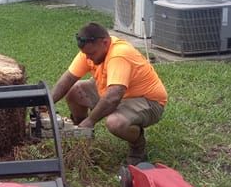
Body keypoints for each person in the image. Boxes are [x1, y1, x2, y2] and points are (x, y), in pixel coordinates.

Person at [51, 22, 167, 165]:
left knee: (115, 123)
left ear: (105, 42)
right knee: (75, 91)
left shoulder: (119, 54)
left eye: (91, 54)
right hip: (113, 91)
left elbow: (114, 96)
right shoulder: (91, 50)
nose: (88, 58)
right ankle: (81, 136)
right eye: (85, 54)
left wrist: (91, 120)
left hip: (147, 101)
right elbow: (68, 78)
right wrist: (47, 103)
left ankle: (138, 145)